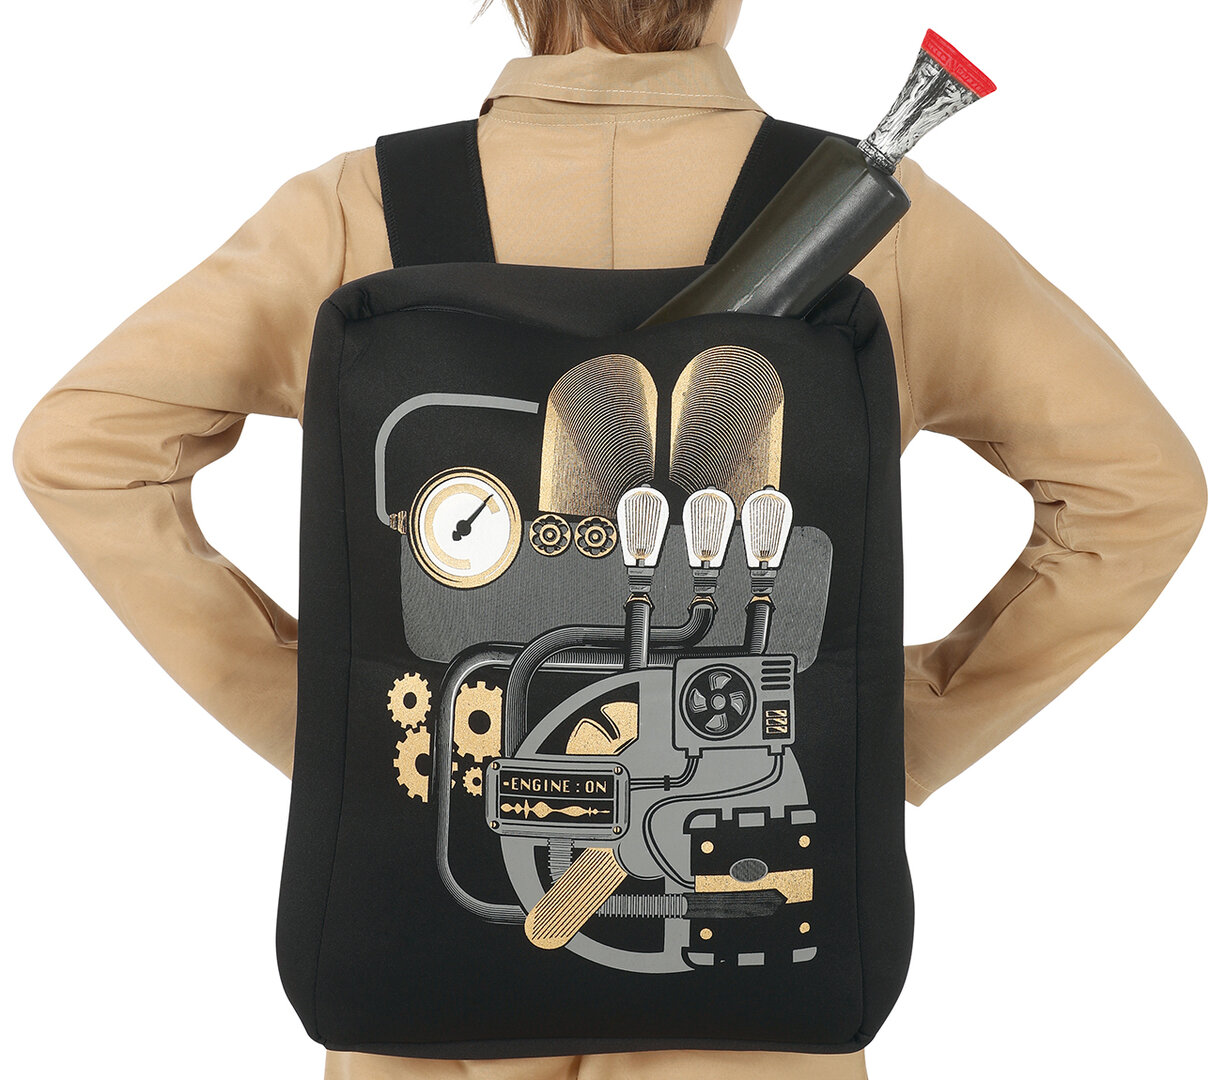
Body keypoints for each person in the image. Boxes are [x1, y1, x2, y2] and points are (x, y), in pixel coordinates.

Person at [10, 1, 1207, 1078]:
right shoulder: (882, 230)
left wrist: (339, 720)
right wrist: (883, 736)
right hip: (753, 1014)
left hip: (429, 1002)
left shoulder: (356, 212)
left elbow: (83, 448)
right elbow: (1138, 491)